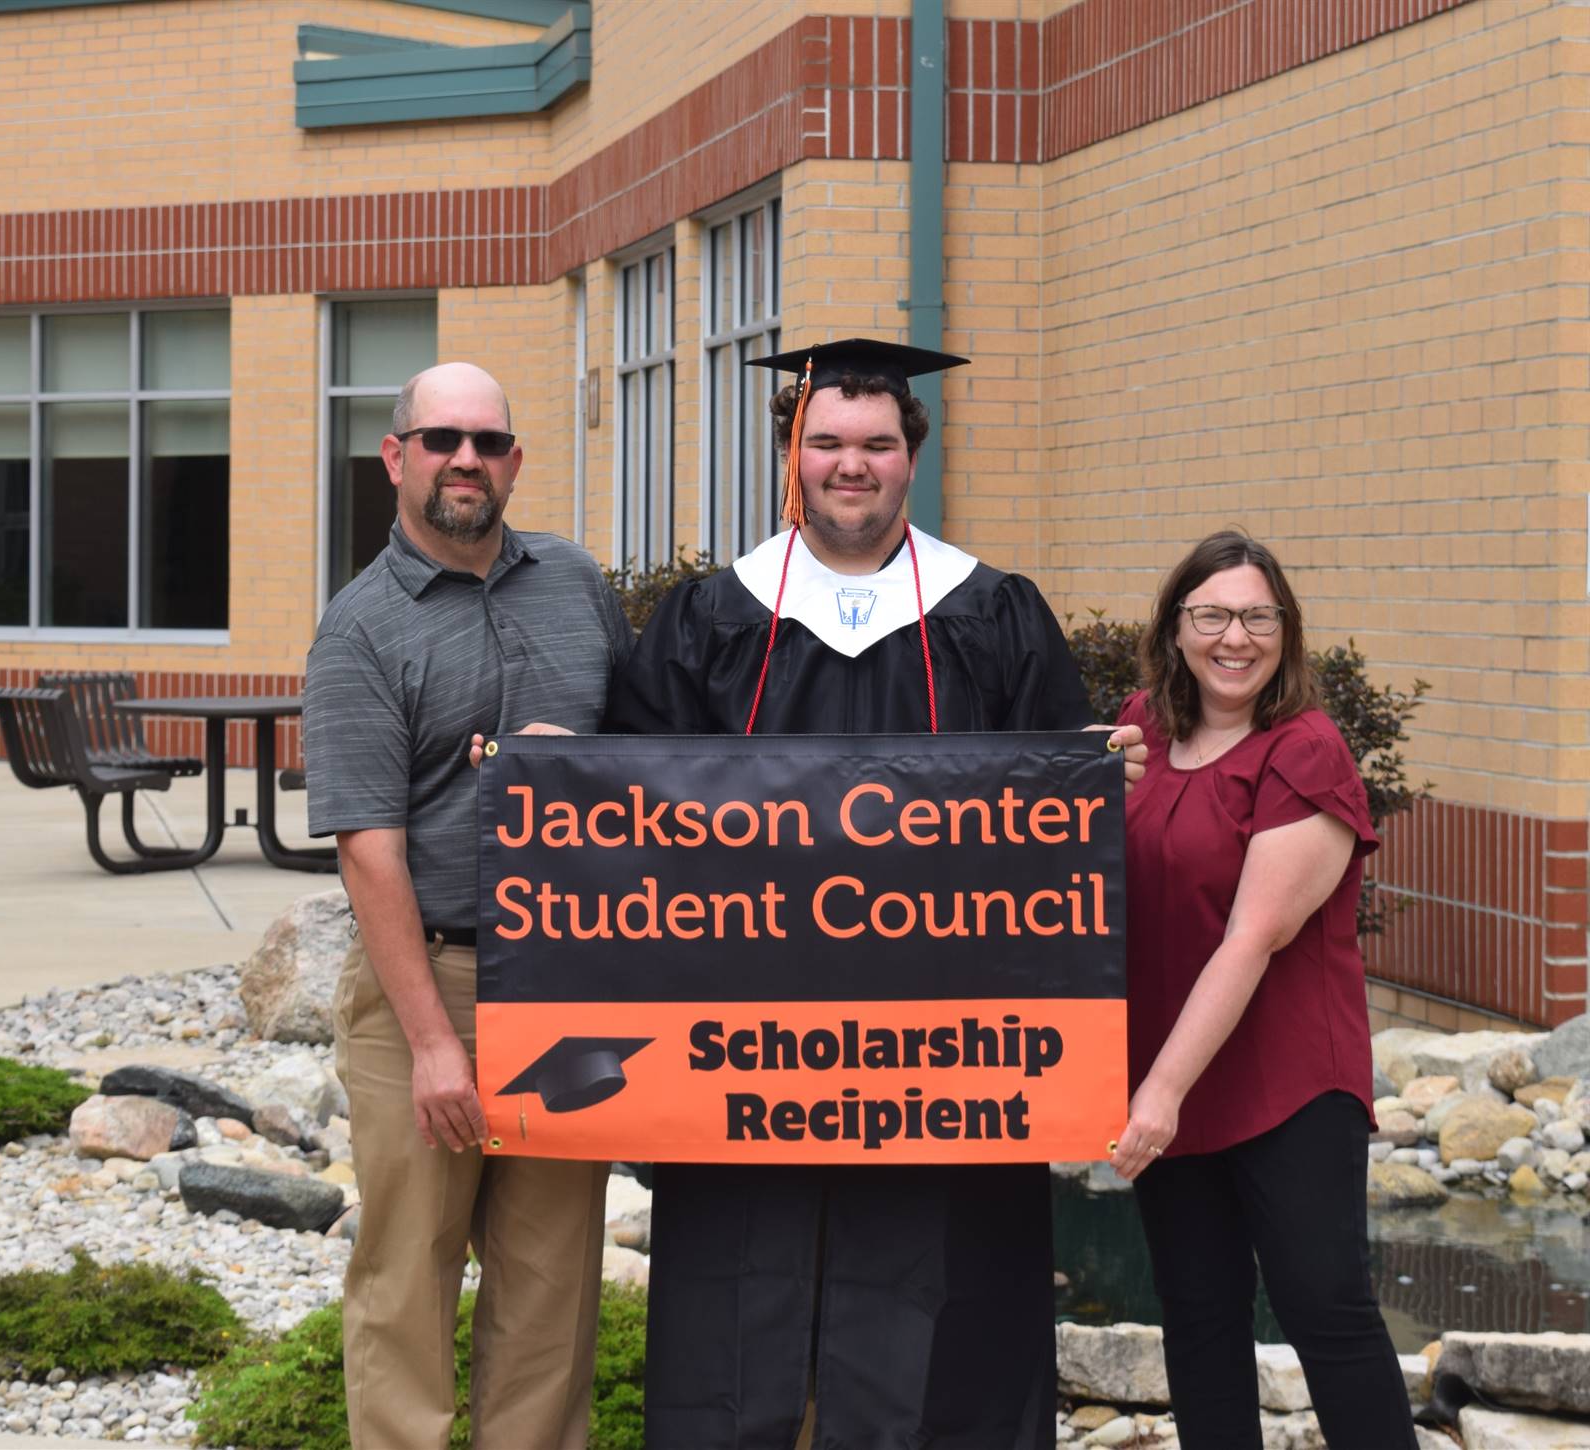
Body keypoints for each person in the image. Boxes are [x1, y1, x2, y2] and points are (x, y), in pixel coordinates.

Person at [605, 337, 1147, 1450]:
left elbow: (1055, 837)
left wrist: (1092, 774)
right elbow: (629, 818)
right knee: (741, 1279)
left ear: (913, 457)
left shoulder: (992, 612)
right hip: (746, 1042)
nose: (852, 465)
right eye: (828, 444)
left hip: (943, 1047)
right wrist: (541, 769)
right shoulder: (714, 619)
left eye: (876, 445)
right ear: (792, 455)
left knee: (942, 1281)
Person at [302, 361, 634, 1450]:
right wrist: (436, 1043)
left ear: (515, 462)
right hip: (429, 985)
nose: (466, 461)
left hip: (570, 986)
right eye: (441, 440)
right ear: (396, 458)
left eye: (488, 442)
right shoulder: (360, 628)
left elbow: (653, 766)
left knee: (551, 1290)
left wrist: (584, 768)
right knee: (406, 1283)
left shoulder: (577, 584)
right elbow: (369, 852)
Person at [1109, 531, 1416, 1447]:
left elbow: (1252, 938)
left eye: (1256, 616)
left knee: (1325, 1310)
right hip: (1172, 1058)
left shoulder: (1304, 751)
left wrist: (1158, 1095)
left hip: (1286, 1080)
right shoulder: (1146, 729)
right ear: (1175, 629)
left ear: (1286, 631)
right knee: (1198, 1314)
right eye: (1210, 615)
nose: (1232, 637)